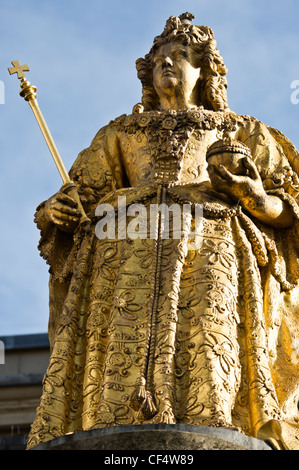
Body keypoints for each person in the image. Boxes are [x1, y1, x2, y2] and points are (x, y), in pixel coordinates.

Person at [27, 13, 299, 450]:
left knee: (209, 346)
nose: (168, 64)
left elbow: (289, 209)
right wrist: (54, 211)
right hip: (124, 257)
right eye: (159, 60)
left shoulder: (242, 132)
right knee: (119, 357)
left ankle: (217, 419)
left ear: (205, 70)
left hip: (210, 250)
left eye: (181, 56)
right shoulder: (119, 133)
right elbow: (80, 199)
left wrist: (251, 195)